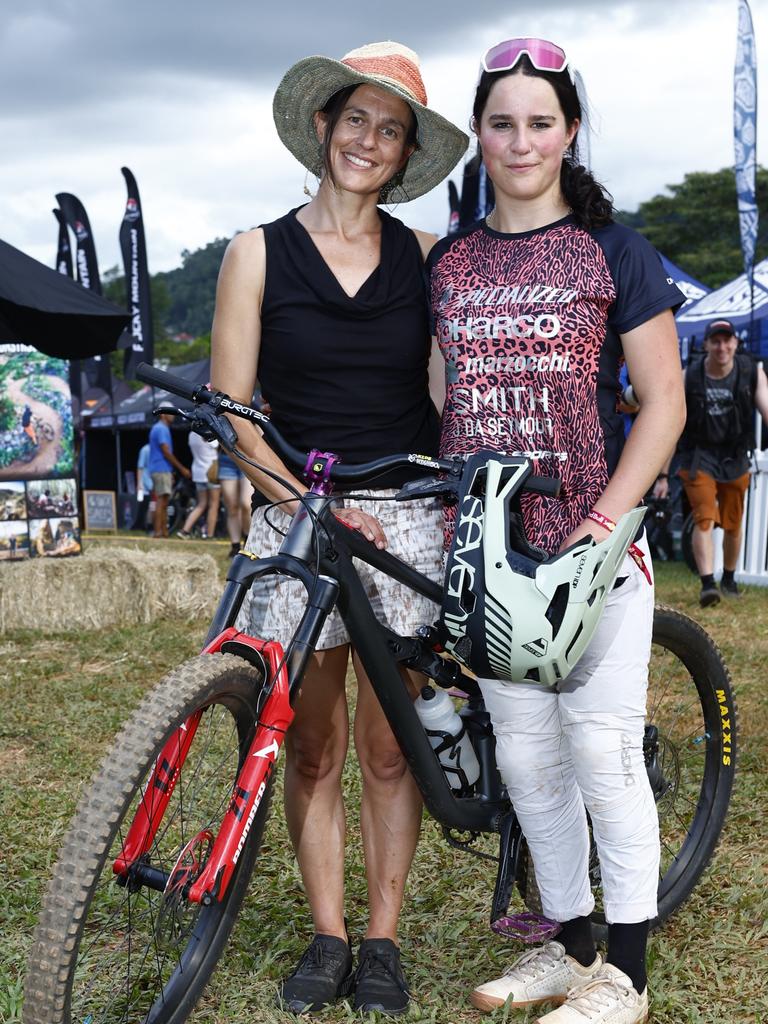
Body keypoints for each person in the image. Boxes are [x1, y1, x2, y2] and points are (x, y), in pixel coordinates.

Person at [427, 38, 686, 1023]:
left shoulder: (615, 250)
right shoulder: (450, 261)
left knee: (603, 750)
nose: (520, 139)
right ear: (481, 137)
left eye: (540, 121)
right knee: (528, 756)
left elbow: (661, 402)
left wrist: (605, 522)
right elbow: (443, 388)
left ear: (568, 130)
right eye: (502, 123)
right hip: (489, 552)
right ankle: (568, 939)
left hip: (592, 547)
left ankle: (625, 971)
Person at [209, 41, 467, 1016]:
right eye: (355, 118)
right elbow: (234, 407)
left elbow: (454, 389)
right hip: (297, 507)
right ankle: (326, 932)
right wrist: (300, 501)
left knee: (391, 745)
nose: (368, 140)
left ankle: (384, 939)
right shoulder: (255, 252)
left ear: (405, 156)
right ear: (323, 126)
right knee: (310, 744)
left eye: (389, 130)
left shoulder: (428, 260)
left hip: (404, 512)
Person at [671, 318, 768, 606]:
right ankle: (707, 585)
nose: (722, 346)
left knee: (733, 524)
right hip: (698, 455)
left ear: (736, 343)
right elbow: (672, 421)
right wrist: (663, 475)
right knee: (704, 518)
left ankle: (728, 578)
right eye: (716, 341)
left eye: (727, 340)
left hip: (735, 456)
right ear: (706, 345)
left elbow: (766, 406)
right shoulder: (689, 375)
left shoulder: (752, 372)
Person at [148, 402, 190, 538]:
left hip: (160, 468)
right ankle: (158, 532)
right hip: (161, 468)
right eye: (170, 413)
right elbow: (166, 451)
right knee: (162, 500)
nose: (173, 416)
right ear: (163, 415)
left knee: (163, 500)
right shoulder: (161, 429)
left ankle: (163, 532)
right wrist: (181, 468)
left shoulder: (159, 428)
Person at [177, 433, 221, 539]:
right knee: (214, 505)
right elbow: (216, 445)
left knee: (201, 504)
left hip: (197, 471)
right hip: (211, 471)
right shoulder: (208, 432)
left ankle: (185, 530)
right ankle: (209, 535)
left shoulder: (191, 434)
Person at [217, 451, 253, 555]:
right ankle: (235, 547)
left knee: (246, 504)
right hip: (226, 459)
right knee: (232, 508)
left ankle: (248, 541)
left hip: (247, 456)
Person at [132, 441, 153, 532]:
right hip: (145, 484)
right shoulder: (145, 449)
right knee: (144, 505)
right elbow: (140, 467)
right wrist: (139, 483)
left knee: (151, 506)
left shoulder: (158, 450)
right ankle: (141, 525)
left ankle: (149, 525)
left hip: (154, 483)